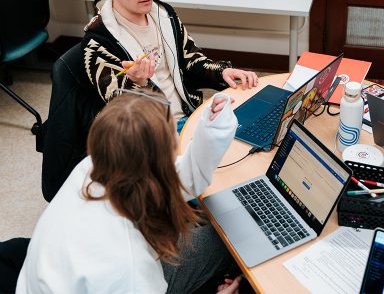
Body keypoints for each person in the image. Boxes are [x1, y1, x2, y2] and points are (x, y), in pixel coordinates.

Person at [17, 89, 242, 293]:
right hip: (117, 279)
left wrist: (212, 130)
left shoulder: (94, 165)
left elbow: (176, 177)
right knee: (229, 238)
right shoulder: (129, 270)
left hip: (64, 276)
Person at [82, 0, 258, 132]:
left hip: (191, 115)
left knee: (252, 130)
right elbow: (118, 105)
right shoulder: (97, 39)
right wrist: (140, 82)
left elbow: (191, 61)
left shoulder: (165, 15)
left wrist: (221, 72)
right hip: (154, 134)